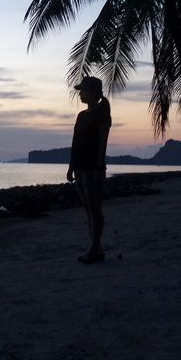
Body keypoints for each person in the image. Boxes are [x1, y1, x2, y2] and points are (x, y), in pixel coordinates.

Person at [67, 76, 111, 264]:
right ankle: (94, 247)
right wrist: (71, 167)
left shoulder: (102, 114)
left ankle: (95, 247)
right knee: (87, 208)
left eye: (83, 90)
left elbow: (103, 141)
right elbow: (75, 142)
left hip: (93, 167)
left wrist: (99, 163)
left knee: (94, 207)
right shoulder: (81, 116)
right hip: (80, 166)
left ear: (94, 93)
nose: (80, 94)